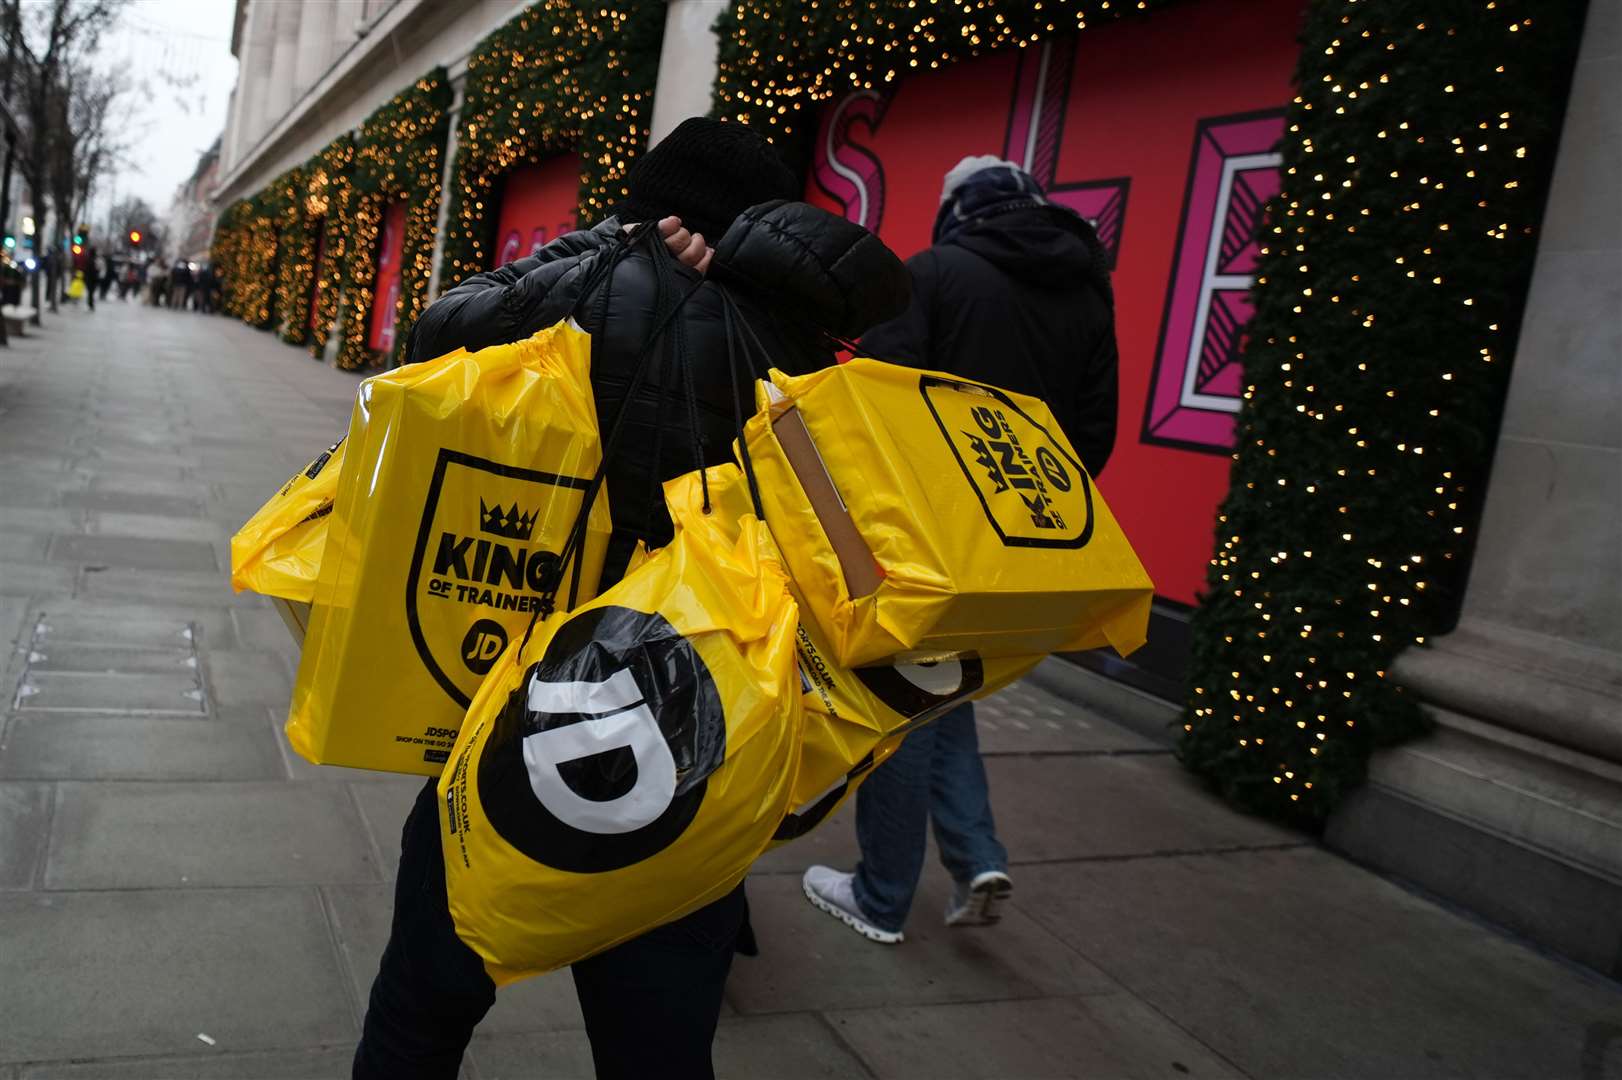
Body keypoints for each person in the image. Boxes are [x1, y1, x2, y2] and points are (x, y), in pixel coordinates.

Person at [353, 116, 908, 1080]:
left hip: (521, 705)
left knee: (421, 1010)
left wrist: (600, 251)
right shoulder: (811, 358)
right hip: (693, 734)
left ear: (651, 208)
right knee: (657, 1050)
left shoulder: (593, 289)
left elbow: (436, 334)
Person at [801, 155, 1119, 944]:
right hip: (1026, 541)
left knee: (903, 708)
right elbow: (1093, 436)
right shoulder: (1089, 292)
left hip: (929, 532)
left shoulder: (938, 272)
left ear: (957, 209)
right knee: (951, 696)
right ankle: (977, 856)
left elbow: (873, 397)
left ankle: (880, 897)